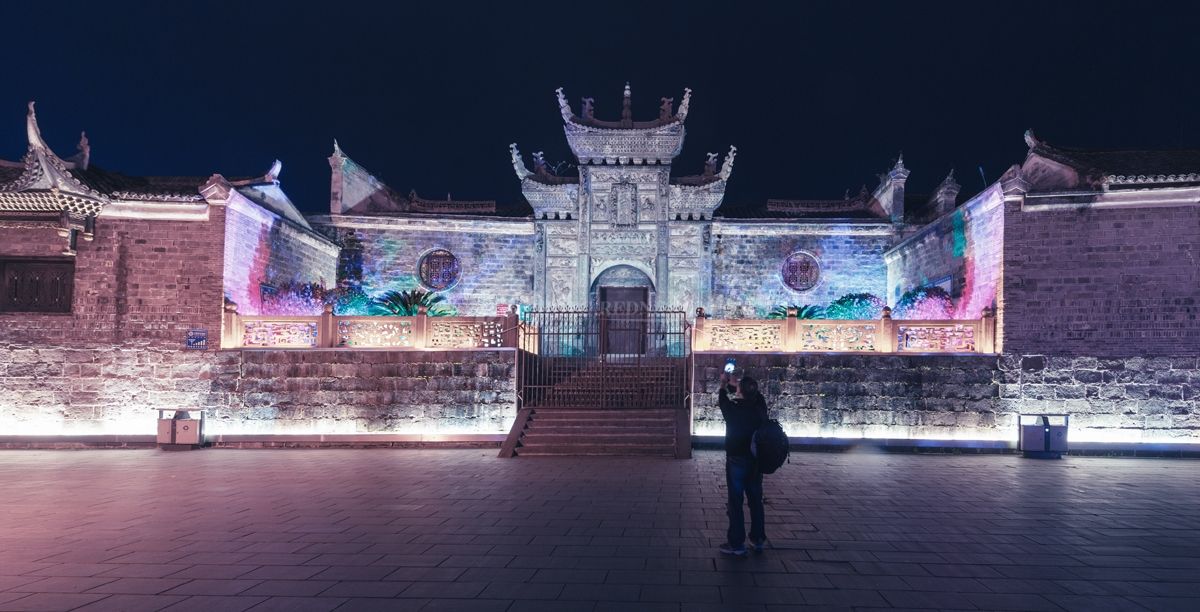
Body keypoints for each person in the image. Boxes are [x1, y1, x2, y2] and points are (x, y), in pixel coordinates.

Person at [718, 370, 769, 556]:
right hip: (756, 461)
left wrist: (725, 383)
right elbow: (756, 396)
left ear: (739, 392)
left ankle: (736, 543)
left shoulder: (733, 409)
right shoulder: (760, 408)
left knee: (736, 501)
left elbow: (722, 398)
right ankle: (758, 539)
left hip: (736, 460)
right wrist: (739, 385)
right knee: (756, 500)